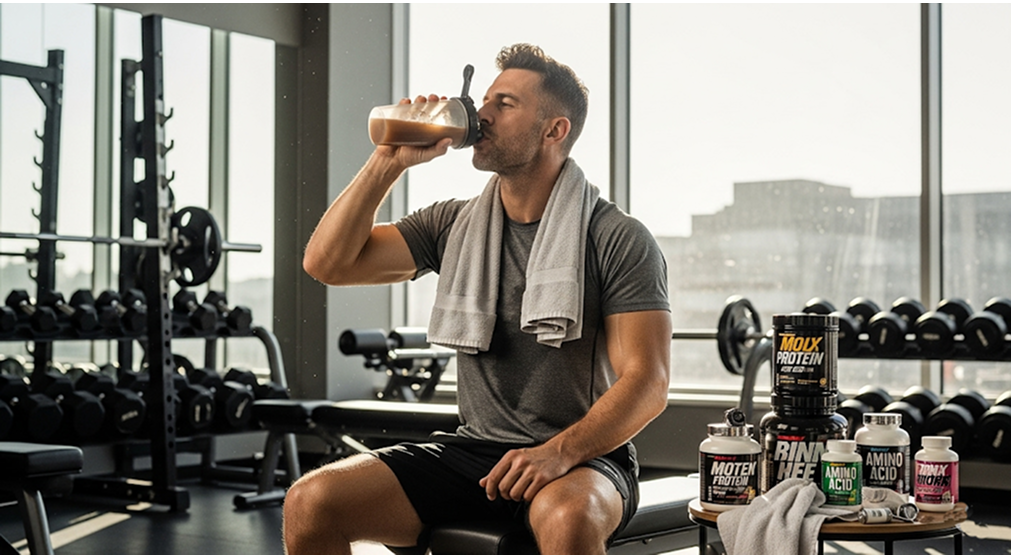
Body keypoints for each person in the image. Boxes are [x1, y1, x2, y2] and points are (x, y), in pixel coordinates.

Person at [288, 43, 671, 555]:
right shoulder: (453, 224)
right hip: (474, 450)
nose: (481, 114)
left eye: (504, 104)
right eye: (484, 100)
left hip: (584, 458)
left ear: (554, 130)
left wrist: (557, 453)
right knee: (311, 501)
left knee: (567, 516)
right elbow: (328, 263)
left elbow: (648, 382)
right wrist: (388, 161)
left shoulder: (616, 236)